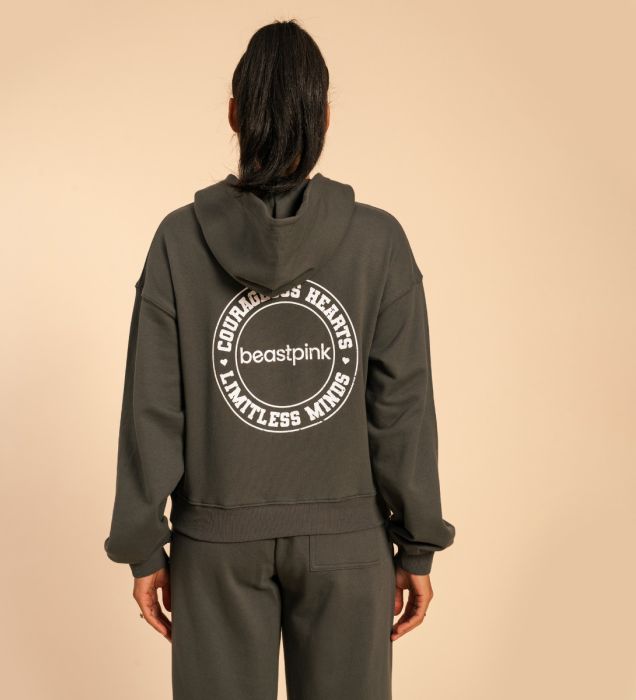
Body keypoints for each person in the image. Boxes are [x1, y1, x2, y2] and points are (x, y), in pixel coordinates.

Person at [104, 18, 456, 700]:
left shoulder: (179, 241)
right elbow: (403, 410)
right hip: (349, 547)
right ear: (323, 117)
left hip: (216, 546)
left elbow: (152, 407)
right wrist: (417, 544)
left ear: (235, 114)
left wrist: (144, 546)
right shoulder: (379, 243)